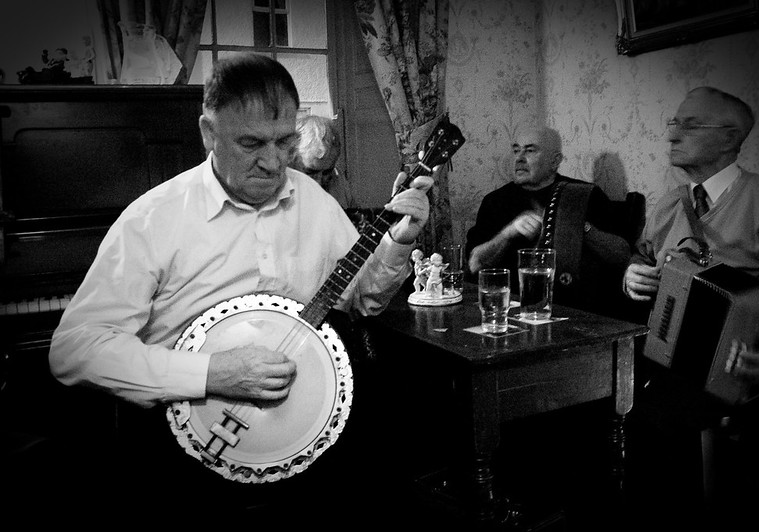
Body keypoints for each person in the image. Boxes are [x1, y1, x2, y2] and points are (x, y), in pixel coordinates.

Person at [46, 53, 435, 525]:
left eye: (285, 141)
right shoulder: (154, 219)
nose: (273, 163)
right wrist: (210, 373)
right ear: (209, 133)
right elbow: (74, 350)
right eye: (251, 143)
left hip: (304, 437)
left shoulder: (312, 198)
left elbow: (362, 300)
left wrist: (398, 240)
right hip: (190, 452)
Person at [622, 86, 759, 529]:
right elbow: (642, 259)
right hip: (663, 358)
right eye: (673, 123)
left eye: (690, 124)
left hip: (739, 372)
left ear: (729, 138)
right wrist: (632, 276)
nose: (672, 134)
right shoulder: (669, 203)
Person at [465, 123, 635, 320]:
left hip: (572, 311)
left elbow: (622, 255)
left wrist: (579, 225)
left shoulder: (583, 195)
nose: (519, 158)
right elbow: (474, 264)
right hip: (509, 313)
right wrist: (507, 234)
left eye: (530, 150)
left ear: (555, 161)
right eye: (516, 150)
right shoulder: (495, 201)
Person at [289, 113, 353, 208]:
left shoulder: (339, 182)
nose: (319, 183)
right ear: (291, 162)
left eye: (327, 173)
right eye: (310, 172)